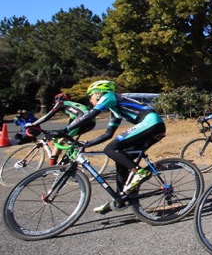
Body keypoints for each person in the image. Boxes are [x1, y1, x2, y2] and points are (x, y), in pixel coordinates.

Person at [55, 80, 166, 215]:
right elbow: (108, 133)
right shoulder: (116, 109)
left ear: (98, 93)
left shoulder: (109, 96)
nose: (90, 100)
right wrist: (88, 143)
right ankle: (120, 198)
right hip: (155, 126)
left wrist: (65, 129)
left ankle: (138, 171)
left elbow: (90, 115)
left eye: (90, 96)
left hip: (150, 123)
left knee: (109, 149)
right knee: (121, 159)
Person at [28, 93, 95, 165]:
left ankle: (53, 165)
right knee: (62, 138)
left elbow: (47, 116)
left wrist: (33, 124)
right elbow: (70, 124)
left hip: (81, 119)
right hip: (91, 122)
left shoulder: (61, 103)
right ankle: (68, 156)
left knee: (60, 141)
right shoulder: (72, 106)